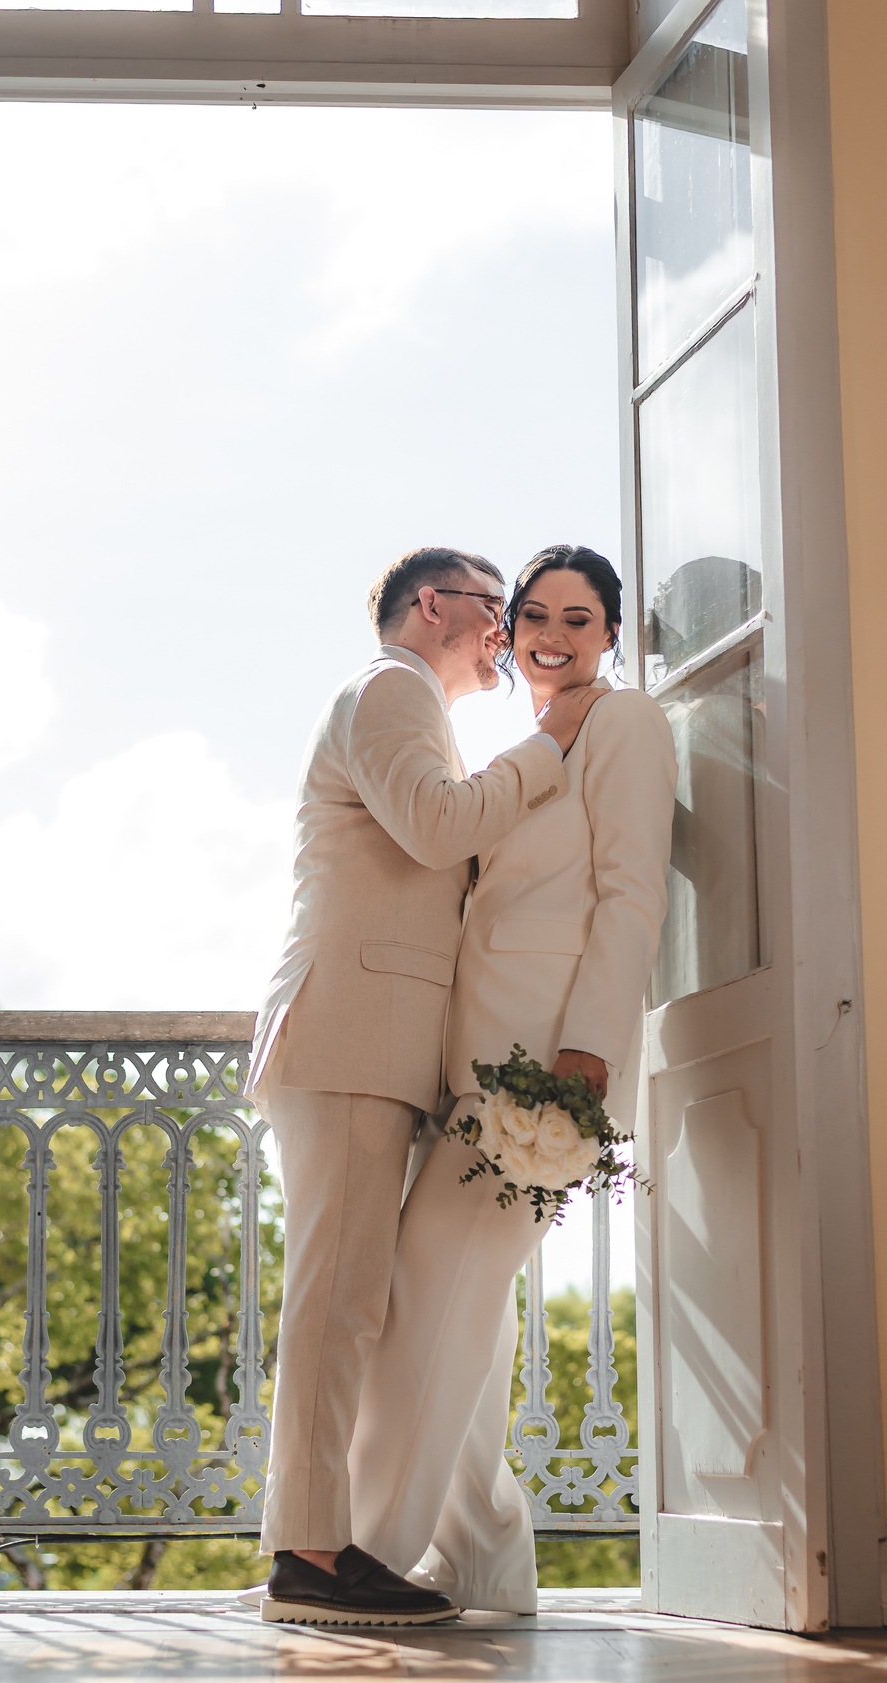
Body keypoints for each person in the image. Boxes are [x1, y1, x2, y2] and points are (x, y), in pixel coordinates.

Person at [251, 545, 605, 1627]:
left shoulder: (418, 712)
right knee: (340, 1304)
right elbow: (439, 826)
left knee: (377, 1304)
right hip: (350, 1037)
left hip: (382, 1048)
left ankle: (397, 1542)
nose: (505, 632)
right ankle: (312, 1557)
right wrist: (548, 747)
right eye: (496, 608)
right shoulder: (389, 688)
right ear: (433, 604)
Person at [347, 543, 677, 1615]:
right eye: (534, 613)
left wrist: (587, 1055)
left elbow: (629, 896)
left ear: (610, 635)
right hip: (473, 1066)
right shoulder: (518, 739)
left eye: (578, 618)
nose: (551, 633)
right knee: (465, 1311)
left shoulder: (623, 725)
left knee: (433, 1285)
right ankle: (486, 1556)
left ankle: (371, 1552)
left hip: (546, 1065)